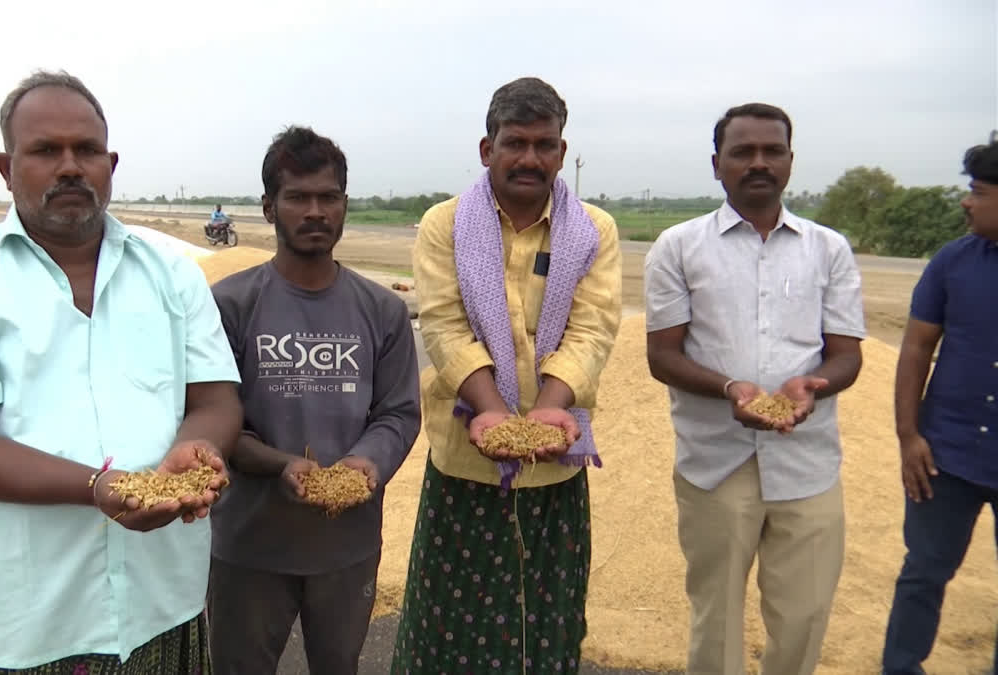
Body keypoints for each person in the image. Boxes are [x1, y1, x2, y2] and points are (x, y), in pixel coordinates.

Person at [0, 70, 243, 674]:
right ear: (6, 166)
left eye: (87, 150)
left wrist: (196, 448)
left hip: (165, 606)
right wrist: (98, 488)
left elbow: (215, 397)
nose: (71, 166)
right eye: (46, 150)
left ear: (111, 163)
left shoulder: (170, 271)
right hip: (30, 623)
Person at [390, 77, 623, 674]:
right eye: (514, 142)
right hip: (463, 463)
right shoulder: (446, 223)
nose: (529, 158)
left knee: (543, 626)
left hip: (554, 472)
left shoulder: (593, 230)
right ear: (486, 149)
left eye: (544, 144)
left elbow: (591, 330)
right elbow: (442, 325)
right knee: (449, 627)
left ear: (562, 153)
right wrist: (490, 410)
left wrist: (549, 408)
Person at [644, 102, 866, 675]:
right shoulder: (678, 246)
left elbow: (846, 355)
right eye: (743, 152)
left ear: (791, 162)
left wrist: (813, 385)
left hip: (808, 462)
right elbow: (663, 355)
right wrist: (730, 389)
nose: (759, 163)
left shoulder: (829, 249)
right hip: (715, 462)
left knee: (804, 617)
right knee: (715, 619)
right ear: (717, 165)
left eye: (773, 151)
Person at [207, 126, 421, 675]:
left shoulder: (382, 311)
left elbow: (398, 413)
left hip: (345, 549)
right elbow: (213, 419)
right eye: (298, 197)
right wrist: (281, 465)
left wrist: (364, 463)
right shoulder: (230, 304)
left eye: (328, 197)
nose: (315, 211)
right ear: (268, 207)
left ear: (344, 205)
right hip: (250, 545)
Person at [881, 135, 998, 675]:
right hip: (945, 456)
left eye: (977, 191)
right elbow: (916, 349)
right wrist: (909, 436)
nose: (966, 202)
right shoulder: (953, 262)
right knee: (924, 572)